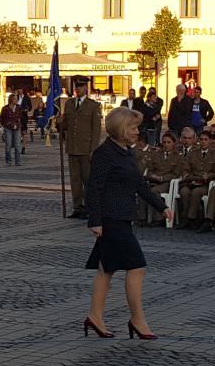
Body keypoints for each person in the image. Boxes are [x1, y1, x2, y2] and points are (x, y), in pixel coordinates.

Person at [84, 107, 173, 339]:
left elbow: (139, 185)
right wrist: (94, 221)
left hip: (123, 217)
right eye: (133, 128)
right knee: (137, 267)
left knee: (107, 269)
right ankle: (137, 319)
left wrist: (161, 206)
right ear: (121, 129)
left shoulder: (126, 152)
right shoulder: (105, 154)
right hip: (110, 219)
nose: (137, 132)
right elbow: (94, 187)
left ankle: (95, 316)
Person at [58, 78, 102, 218]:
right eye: (76, 86)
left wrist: (93, 149)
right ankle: (78, 207)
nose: (78, 89)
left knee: (87, 180)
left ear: (86, 89)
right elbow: (65, 126)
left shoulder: (93, 106)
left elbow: (96, 130)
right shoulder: (69, 104)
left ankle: (90, 208)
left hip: (86, 148)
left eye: (81, 86)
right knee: (75, 180)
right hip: (72, 147)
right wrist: (59, 122)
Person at [0, 94, 23, 166]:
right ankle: (8, 161)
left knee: (17, 145)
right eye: (15, 99)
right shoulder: (5, 108)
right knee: (8, 145)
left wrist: (18, 123)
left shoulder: (18, 107)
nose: (16, 100)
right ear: (11, 99)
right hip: (8, 128)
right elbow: (2, 118)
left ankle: (17, 161)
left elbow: (21, 116)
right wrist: (5, 125)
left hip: (17, 128)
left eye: (17, 99)